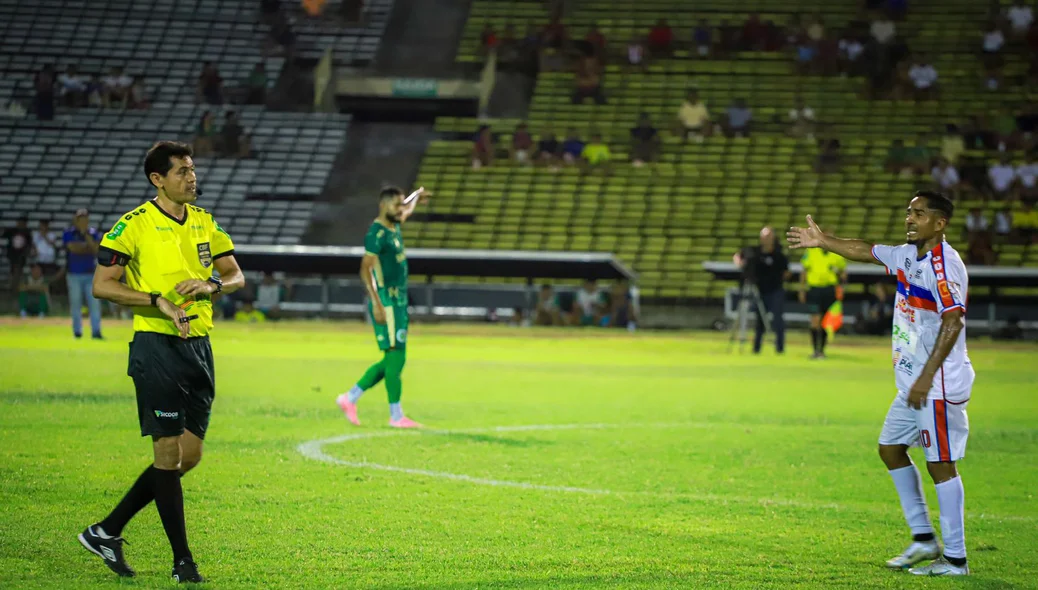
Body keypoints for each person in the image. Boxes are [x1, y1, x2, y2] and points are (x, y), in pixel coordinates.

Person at [80, 141, 245, 584]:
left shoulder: (205, 222)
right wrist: (156, 300)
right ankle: (183, 563)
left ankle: (105, 530)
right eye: (182, 172)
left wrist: (211, 285)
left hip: (200, 348)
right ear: (158, 179)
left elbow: (235, 275)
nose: (192, 178)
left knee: (186, 457)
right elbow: (102, 285)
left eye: (192, 170)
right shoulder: (132, 225)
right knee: (167, 455)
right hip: (157, 348)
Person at [787, 190, 973, 577]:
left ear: (939, 223)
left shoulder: (943, 265)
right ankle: (924, 538)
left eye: (919, 214)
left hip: (935, 385)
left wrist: (924, 378)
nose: (910, 218)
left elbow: (953, 320)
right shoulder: (908, 256)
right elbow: (865, 250)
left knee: (942, 465)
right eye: (908, 212)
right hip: (914, 384)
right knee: (890, 449)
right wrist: (825, 242)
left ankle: (956, 559)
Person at [336, 186, 429, 428]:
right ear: (383, 205)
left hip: (398, 302)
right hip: (386, 301)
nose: (401, 210)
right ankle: (395, 416)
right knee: (396, 358)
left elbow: (406, 209)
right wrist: (376, 303)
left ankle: (350, 398)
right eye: (396, 205)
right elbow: (365, 270)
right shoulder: (376, 234)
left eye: (401, 205)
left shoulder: (394, 225)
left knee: (392, 358)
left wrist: (416, 197)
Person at [798, 235, 846, 358]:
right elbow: (804, 270)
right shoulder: (811, 251)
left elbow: (843, 273)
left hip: (830, 290)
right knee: (815, 320)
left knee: (825, 322)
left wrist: (841, 284)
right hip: (815, 289)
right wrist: (802, 289)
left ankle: (822, 350)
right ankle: (815, 350)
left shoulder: (836, 253)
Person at [744, 227, 789, 354]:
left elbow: (786, 271)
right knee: (760, 321)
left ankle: (780, 348)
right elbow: (742, 257)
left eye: (769, 236)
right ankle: (756, 348)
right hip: (760, 291)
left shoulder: (779, 254)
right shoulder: (756, 253)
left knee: (778, 320)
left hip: (775, 290)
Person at [63, 209, 103, 339]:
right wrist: (87, 247)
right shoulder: (69, 233)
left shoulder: (93, 233)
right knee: (76, 304)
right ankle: (77, 331)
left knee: (94, 304)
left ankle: (96, 331)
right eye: (80, 219)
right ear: (76, 220)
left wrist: (86, 236)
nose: (82, 222)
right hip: (74, 274)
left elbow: (96, 249)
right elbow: (72, 248)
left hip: (90, 274)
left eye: (84, 219)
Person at [3, 216, 33, 289]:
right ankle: (11, 285)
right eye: (20, 223)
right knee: (12, 269)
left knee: (19, 270)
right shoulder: (12, 231)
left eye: (23, 223)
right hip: (12, 254)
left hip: (22, 254)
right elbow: (4, 235)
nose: (21, 224)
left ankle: (17, 285)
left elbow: (29, 243)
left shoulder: (27, 232)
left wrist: (27, 252)